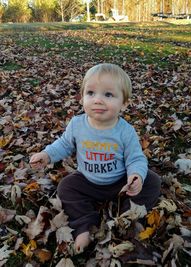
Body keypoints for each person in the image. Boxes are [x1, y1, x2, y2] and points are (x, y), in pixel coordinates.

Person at [30, 63, 161, 252]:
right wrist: (47, 154)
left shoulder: (125, 131)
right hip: (88, 182)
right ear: (82, 97)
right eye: (90, 93)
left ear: (124, 103)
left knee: (152, 180)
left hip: (120, 183)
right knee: (66, 186)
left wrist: (136, 176)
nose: (97, 100)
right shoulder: (77, 124)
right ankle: (84, 224)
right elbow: (64, 144)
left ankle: (127, 216)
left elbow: (136, 158)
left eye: (108, 95)